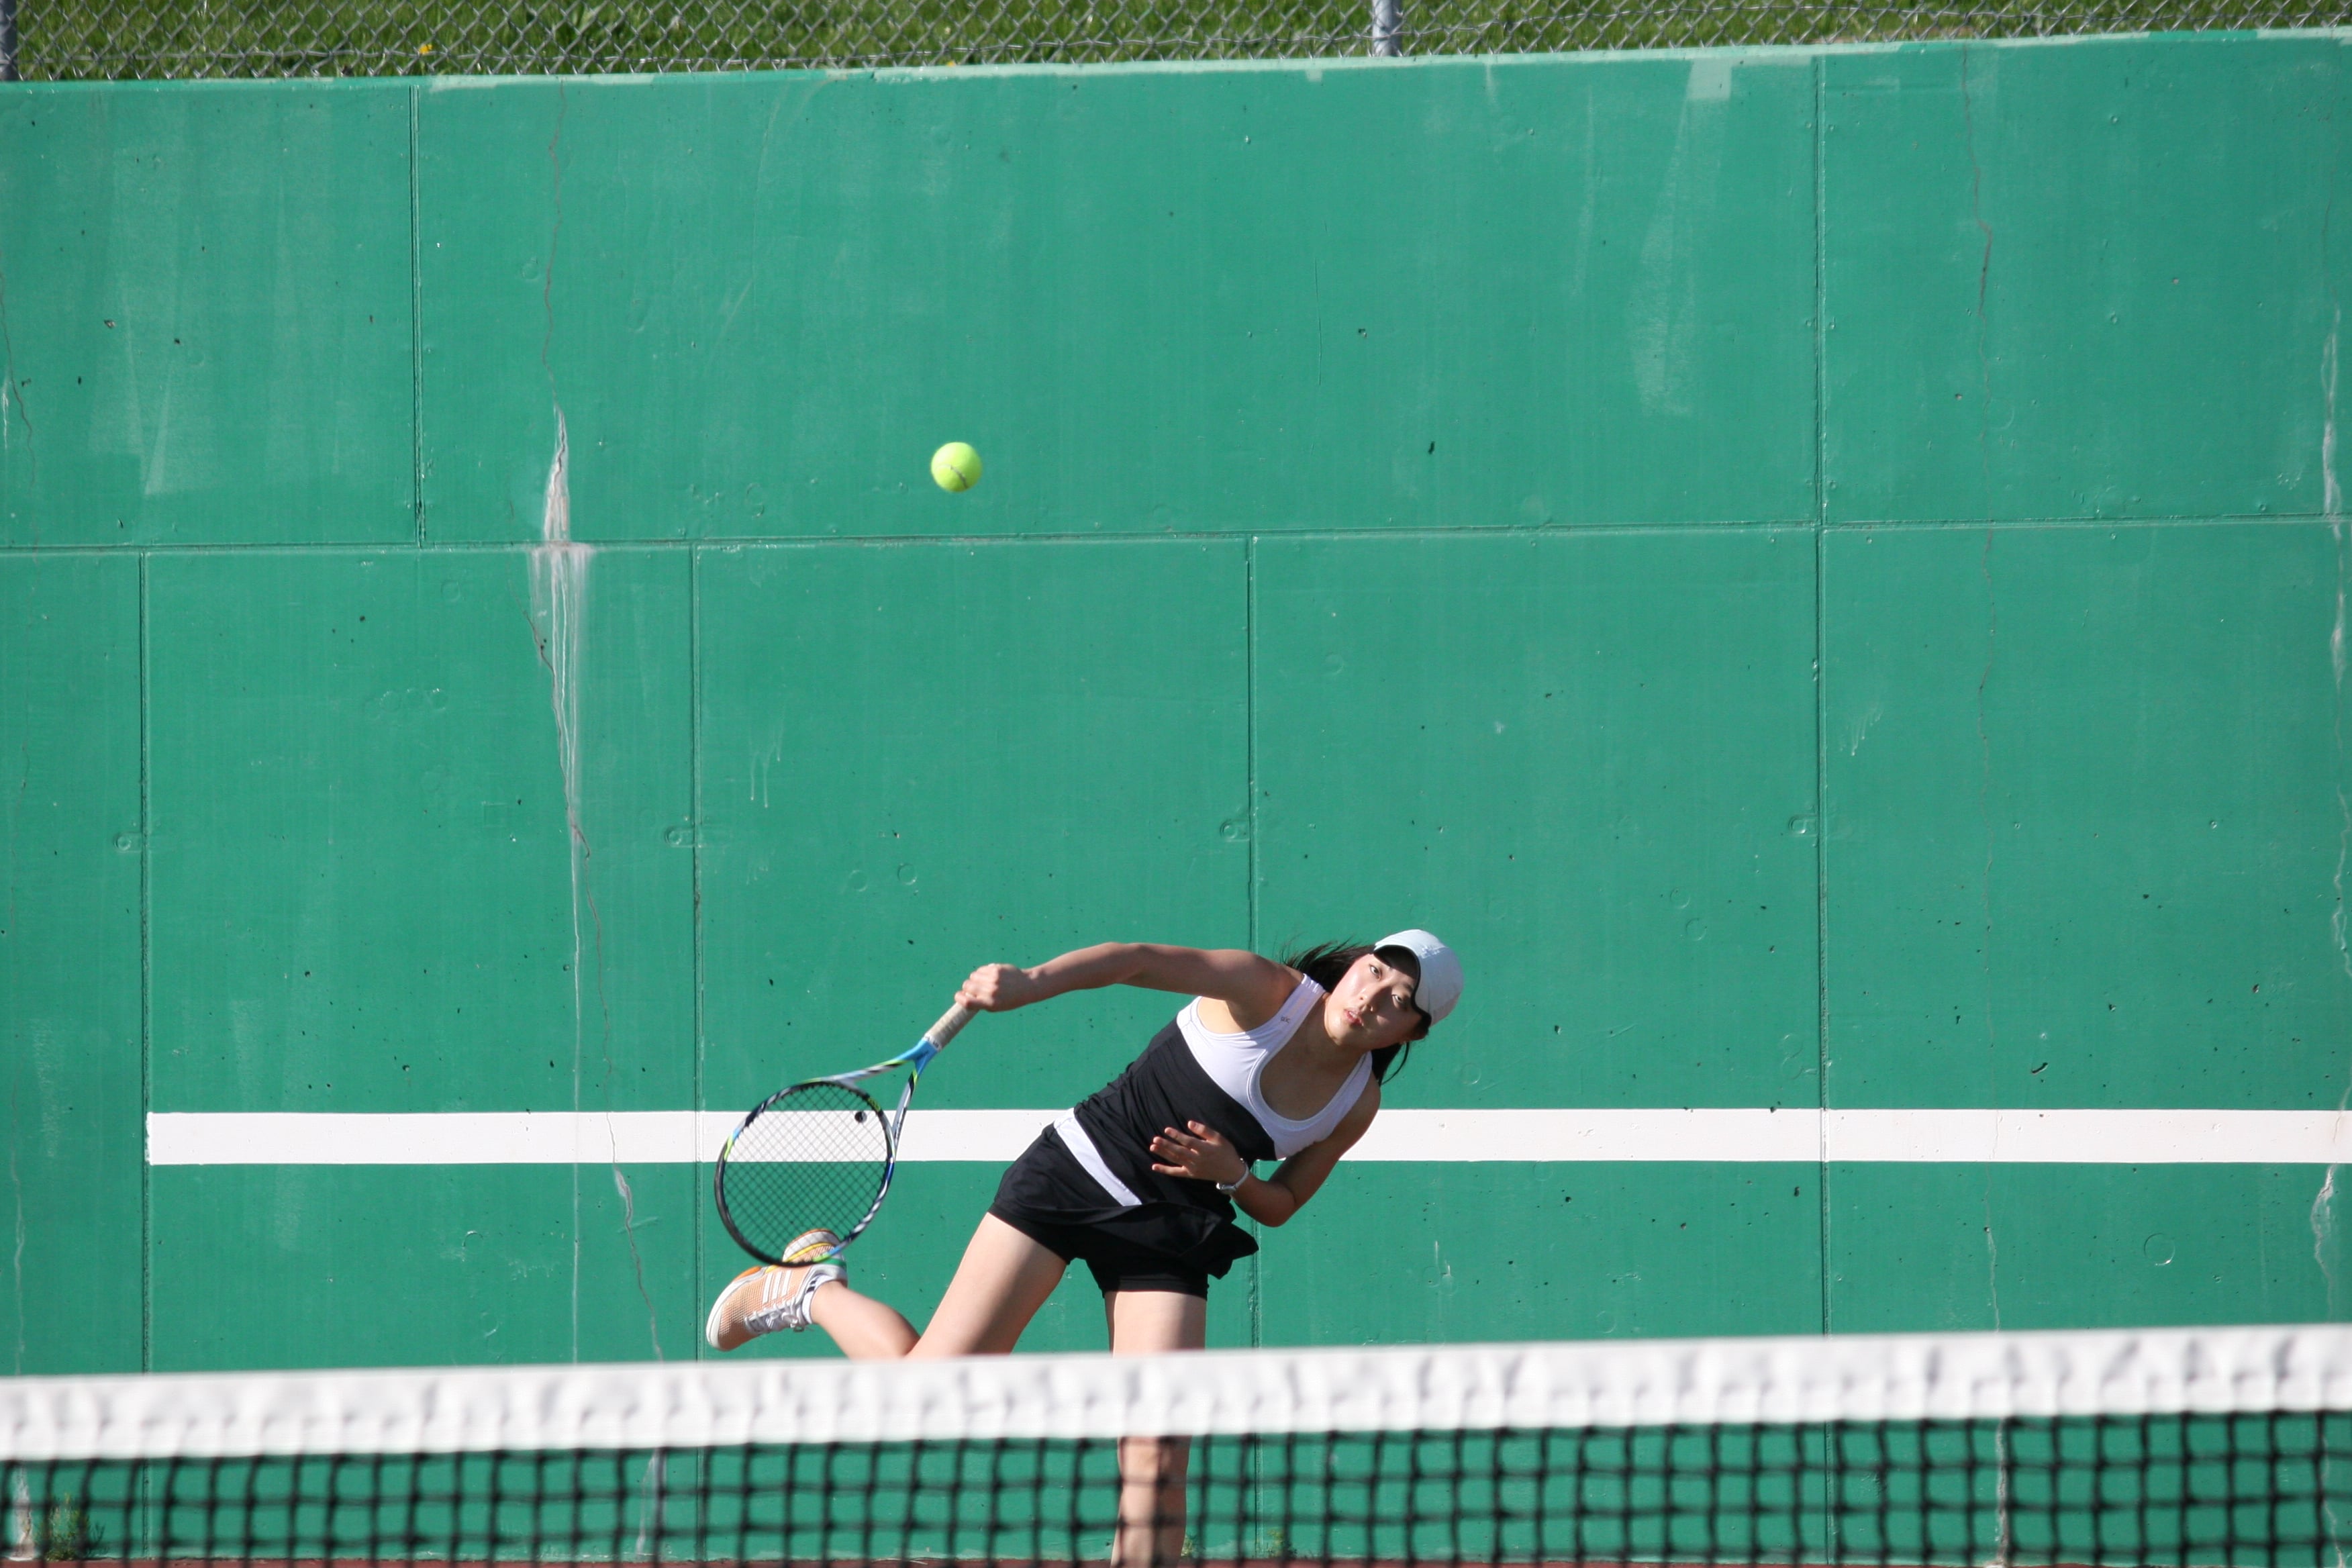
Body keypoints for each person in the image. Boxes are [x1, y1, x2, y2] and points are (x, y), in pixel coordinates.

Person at [701, 930, 1463, 1563]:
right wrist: (1030, 981)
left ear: (1413, 1031)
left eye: (1399, 999)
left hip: (1172, 1229)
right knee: (926, 1393)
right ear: (1356, 963)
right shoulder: (1262, 988)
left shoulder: (1356, 1101)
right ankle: (807, 1287)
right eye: (1374, 970)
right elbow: (1136, 958)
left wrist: (1233, 1176)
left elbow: (1285, 1199)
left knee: (1159, 1459)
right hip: (1076, 1173)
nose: (1371, 996)